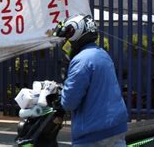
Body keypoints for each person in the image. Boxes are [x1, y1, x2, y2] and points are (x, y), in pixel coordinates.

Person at [53, 14, 128, 147]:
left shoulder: (81, 60)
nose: (65, 42)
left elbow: (69, 102)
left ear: (77, 34)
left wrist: (62, 93)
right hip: (116, 127)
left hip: (93, 133)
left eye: (67, 37)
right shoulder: (102, 54)